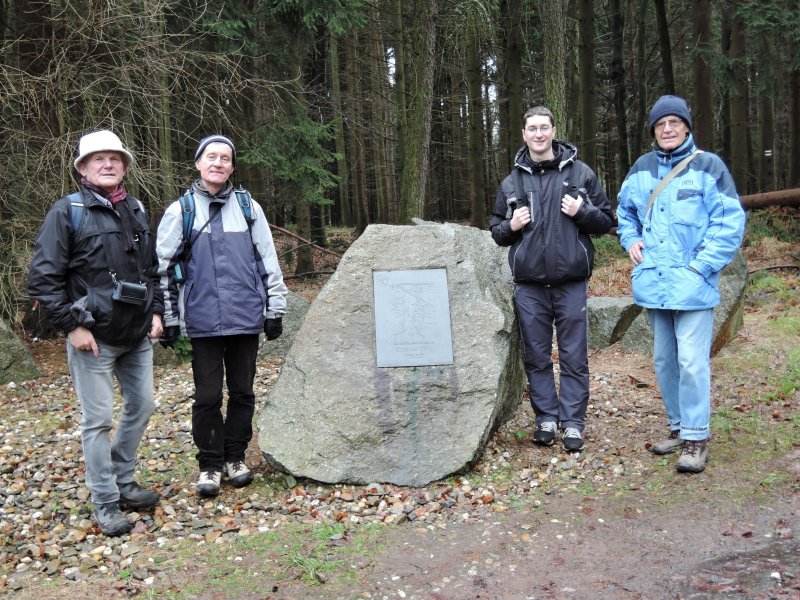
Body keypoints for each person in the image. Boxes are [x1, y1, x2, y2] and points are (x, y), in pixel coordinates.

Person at [28, 129, 164, 536]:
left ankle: (123, 480)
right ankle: (105, 500)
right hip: (93, 339)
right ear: (83, 168)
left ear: (124, 166)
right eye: (98, 159)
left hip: (137, 333)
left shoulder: (135, 207)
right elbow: (43, 279)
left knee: (142, 407)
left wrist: (155, 312)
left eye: (115, 159)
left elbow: (151, 270)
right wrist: (71, 327)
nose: (108, 164)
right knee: (98, 419)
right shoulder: (66, 212)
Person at [616, 95, 746, 473]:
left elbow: (729, 222)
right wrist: (630, 240)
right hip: (655, 284)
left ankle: (696, 437)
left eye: (674, 122)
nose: (668, 129)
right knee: (663, 361)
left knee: (691, 362)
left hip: (692, 285)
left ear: (687, 126)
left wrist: (701, 266)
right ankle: (677, 426)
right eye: (660, 124)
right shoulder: (641, 168)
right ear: (654, 131)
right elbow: (625, 212)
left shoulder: (709, 166)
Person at [156, 134, 288, 497]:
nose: (218, 163)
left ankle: (236, 457)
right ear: (198, 163)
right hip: (202, 321)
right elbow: (163, 268)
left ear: (232, 166)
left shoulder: (249, 208)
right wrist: (169, 317)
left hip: (245, 318)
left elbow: (267, 258)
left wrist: (275, 307)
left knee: (243, 392)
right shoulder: (180, 211)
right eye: (211, 157)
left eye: (225, 158)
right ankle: (210, 465)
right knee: (208, 395)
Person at [490, 107, 615, 452]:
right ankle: (546, 418)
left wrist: (583, 212)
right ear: (524, 134)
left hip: (571, 282)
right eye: (533, 128)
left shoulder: (580, 174)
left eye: (544, 127)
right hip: (529, 286)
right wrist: (511, 226)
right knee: (537, 356)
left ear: (554, 131)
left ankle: (573, 423)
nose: (539, 134)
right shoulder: (512, 182)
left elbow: (606, 221)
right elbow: (497, 232)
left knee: (575, 356)